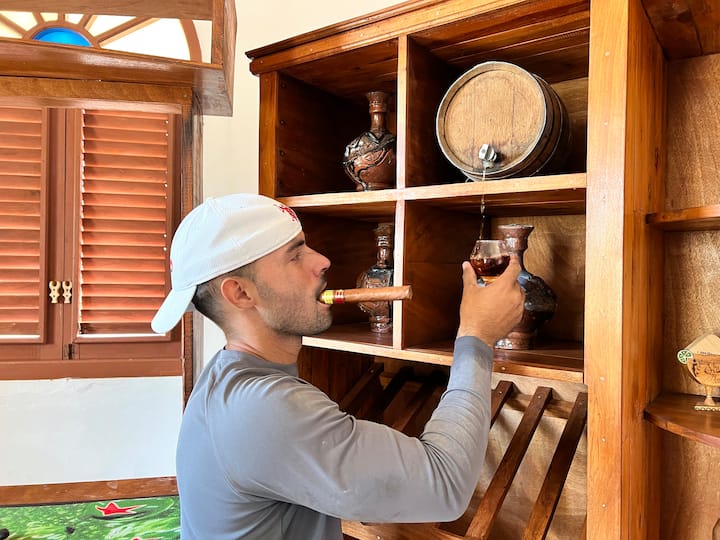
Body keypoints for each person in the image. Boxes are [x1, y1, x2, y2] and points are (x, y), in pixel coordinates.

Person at [151, 193, 524, 540]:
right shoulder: (262, 407)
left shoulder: (226, 376)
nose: (322, 261)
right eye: (295, 256)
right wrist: (477, 336)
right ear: (241, 293)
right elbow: (446, 483)